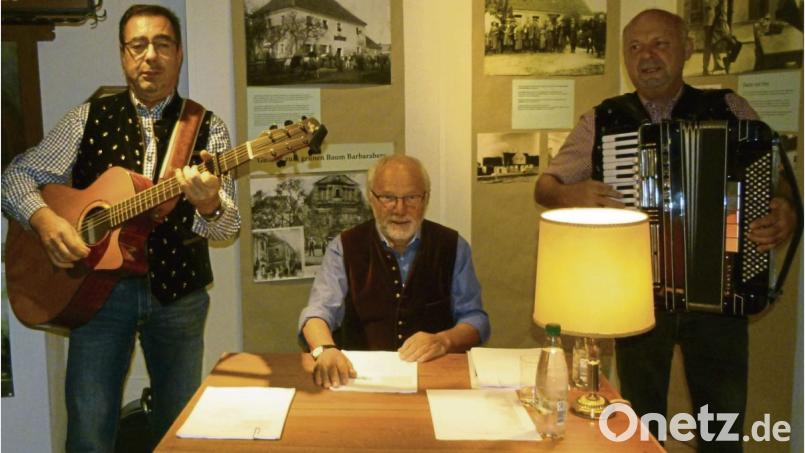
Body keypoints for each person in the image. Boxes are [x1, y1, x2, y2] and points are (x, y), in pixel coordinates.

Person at [533, 9, 796, 452]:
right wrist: (569, 195)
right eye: (635, 48)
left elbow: (776, 173)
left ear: (687, 49)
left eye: (660, 44)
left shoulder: (730, 108)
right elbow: (546, 186)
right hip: (636, 292)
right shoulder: (604, 120)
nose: (647, 56)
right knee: (640, 422)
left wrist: (785, 206)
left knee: (722, 428)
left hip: (720, 292)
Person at [1, 4, 240, 451]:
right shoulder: (86, 118)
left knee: (178, 429)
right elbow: (14, 176)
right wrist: (44, 218)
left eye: (162, 44)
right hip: (96, 295)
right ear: (123, 55)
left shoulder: (208, 129)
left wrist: (209, 206)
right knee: (89, 428)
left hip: (179, 296)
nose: (150, 56)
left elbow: (229, 228)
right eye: (138, 45)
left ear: (179, 54)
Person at [298, 155, 491, 388]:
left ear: (425, 199)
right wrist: (325, 350)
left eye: (411, 198)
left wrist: (445, 340)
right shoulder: (344, 247)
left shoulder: (453, 246)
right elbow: (316, 314)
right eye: (388, 197)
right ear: (372, 198)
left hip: (435, 380)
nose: (400, 209)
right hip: (360, 380)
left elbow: (476, 320)